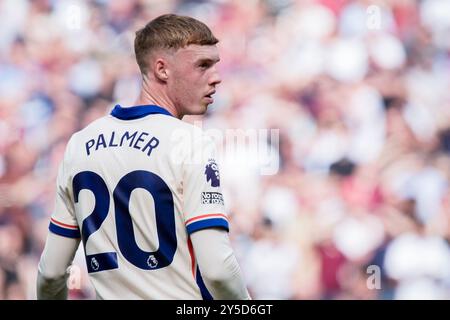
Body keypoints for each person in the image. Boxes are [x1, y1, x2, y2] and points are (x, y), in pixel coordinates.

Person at [36, 13, 251, 300]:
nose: (217, 77)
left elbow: (51, 273)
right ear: (162, 69)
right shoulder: (189, 143)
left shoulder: (80, 144)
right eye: (203, 65)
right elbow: (218, 270)